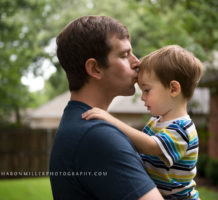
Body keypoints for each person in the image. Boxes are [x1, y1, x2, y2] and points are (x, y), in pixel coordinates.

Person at [49, 15, 164, 200]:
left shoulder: (78, 124)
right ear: (95, 69)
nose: (137, 63)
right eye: (124, 55)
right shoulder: (97, 136)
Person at [82, 45, 203, 200]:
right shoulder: (156, 122)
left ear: (173, 89)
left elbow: (150, 146)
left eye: (147, 90)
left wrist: (109, 119)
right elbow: (134, 146)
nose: (142, 97)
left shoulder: (182, 129)